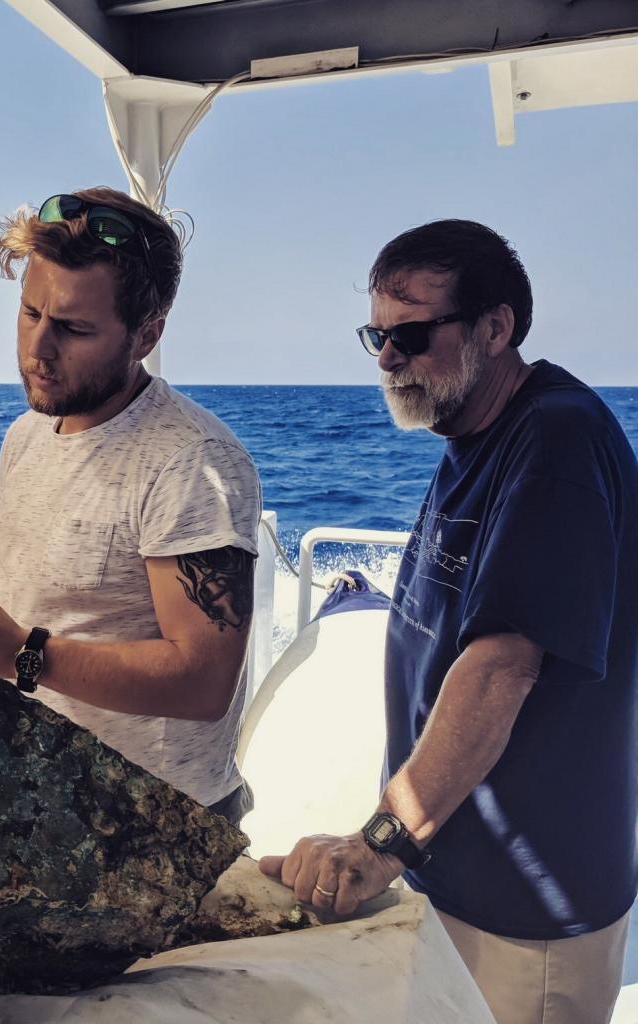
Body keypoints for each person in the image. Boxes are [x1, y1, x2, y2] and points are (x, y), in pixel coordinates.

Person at [260, 219, 638, 1024]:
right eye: (377, 335)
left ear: (495, 328)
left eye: (414, 334)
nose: (389, 358)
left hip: (526, 913)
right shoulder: (474, 433)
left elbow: (501, 668)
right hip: (456, 874)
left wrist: (380, 844)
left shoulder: (555, 438)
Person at [0, 188, 262, 825]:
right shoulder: (24, 435)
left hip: (156, 826)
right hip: (34, 806)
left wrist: (22, 654)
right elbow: (23, 598)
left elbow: (203, 681)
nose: (38, 348)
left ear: (147, 334)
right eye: (30, 312)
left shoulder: (190, 462)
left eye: (73, 328)